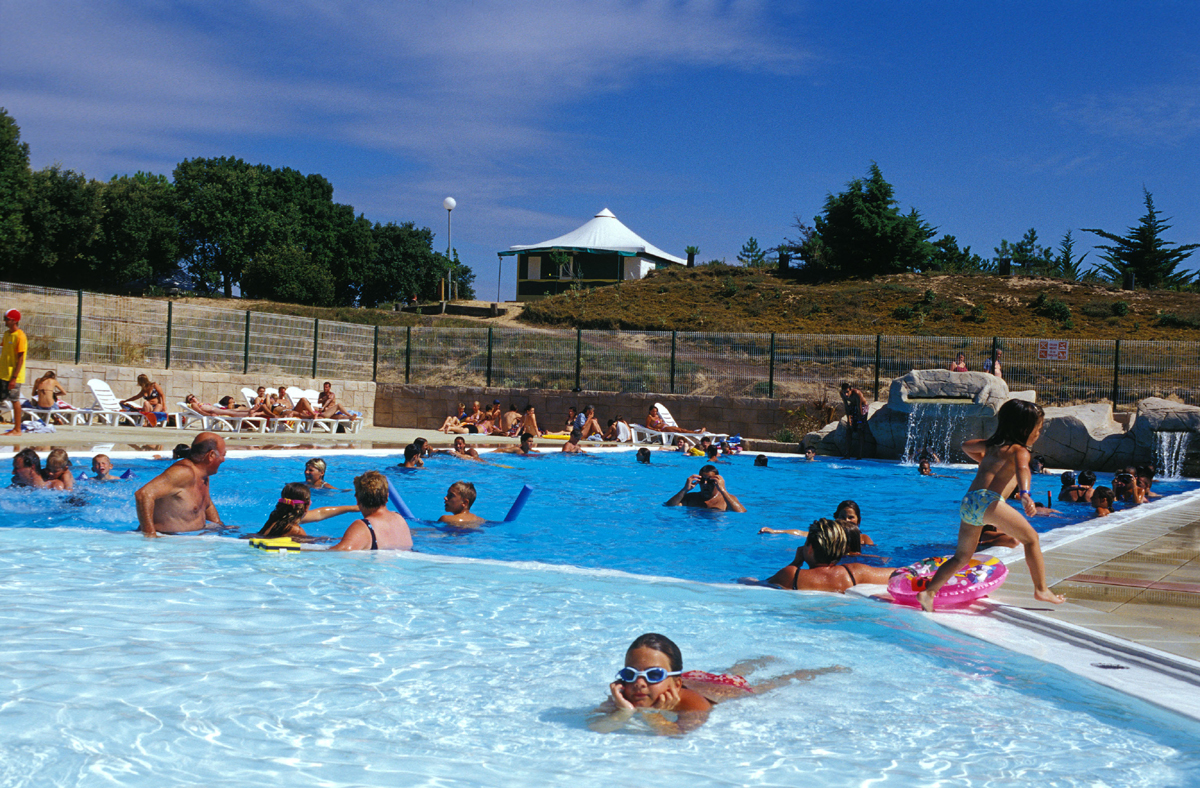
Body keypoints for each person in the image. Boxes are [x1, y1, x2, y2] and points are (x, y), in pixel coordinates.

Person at [917, 399, 1065, 612]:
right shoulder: (1020, 451)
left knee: (961, 557)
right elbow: (1023, 470)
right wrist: (1025, 494)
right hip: (989, 501)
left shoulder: (992, 447)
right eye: (1038, 429)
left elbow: (966, 446)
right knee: (1031, 539)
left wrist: (984, 458)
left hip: (969, 502)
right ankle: (1041, 590)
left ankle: (929, 592)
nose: (1038, 433)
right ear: (1025, 429)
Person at [589, 633, 844, 735]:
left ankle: (820, 670)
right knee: (730, 671)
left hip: (722, 690)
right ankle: (761, 659)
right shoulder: (625, 695)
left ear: (675, 683)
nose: (639, 683)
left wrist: (652, 715)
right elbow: (596, 727)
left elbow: (678, 734)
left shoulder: (692, 703)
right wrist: (624, 711)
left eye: (654, 675)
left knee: (768, 685)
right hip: (695, 678)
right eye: (630, 673)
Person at [758, 519, 895, 592]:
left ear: (810, 548)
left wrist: (795, 563)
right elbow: (897, 573)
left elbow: (758, 584)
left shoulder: (792, 575)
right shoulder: (854, 572)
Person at [134, 432, 227, 536]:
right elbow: (143, 494)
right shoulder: (183, 473)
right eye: (223, 455)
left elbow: (206, 502)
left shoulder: (203, 475)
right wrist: (150, 535)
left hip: (190, 537)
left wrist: (219, 526)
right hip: (167, 539)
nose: (223, 460)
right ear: (211, 455)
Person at [328, 470, 412, 551]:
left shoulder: (363, 526)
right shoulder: (400, 519)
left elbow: (339, 553)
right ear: (387, 497)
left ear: (357, 500)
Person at [255, 482, 360, 540]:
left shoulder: (277, 520)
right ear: (305, 506)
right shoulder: (295, 530)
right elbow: (312, 545)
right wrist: (336, 539)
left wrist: (353, 508)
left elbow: (319, 513)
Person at [759, 501, 874, 546]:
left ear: (859, 520)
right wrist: (775, 531)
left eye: (851, 517)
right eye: (842, 517)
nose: (846, 520)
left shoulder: (863, 539)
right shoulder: (829, 534)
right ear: (836, 519)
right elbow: (801, 533)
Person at [664, 465, 746, 512]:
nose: (705, 484)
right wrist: (685, 489)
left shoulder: (726, 500)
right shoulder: (691, 498)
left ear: (717, 481)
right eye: (702, 480)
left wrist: (723, 489)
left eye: (710, 481)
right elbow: (669, 506)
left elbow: (741, 512)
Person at [2, 308, 28, 435]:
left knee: (14, 400)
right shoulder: (7, 334)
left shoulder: (20, 336)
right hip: (3, 374)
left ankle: (17, 429)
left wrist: (14, 378)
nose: (4, 321)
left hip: (14, 375)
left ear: (14, 321)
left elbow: (21, 359)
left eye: (6, 319)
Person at [839, 382, 869, 459]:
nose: (846, 394)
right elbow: (846, 406)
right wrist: (848, 419)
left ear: (851, 390)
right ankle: (847, 454)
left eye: (847, 392)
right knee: (848, 430)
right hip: (853, 406)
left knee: (860, 430)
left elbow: (859, 408)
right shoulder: (842, 394)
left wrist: (860, 421)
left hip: (862, 407)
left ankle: (860, 455)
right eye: (844, 392)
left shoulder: (857, 394)